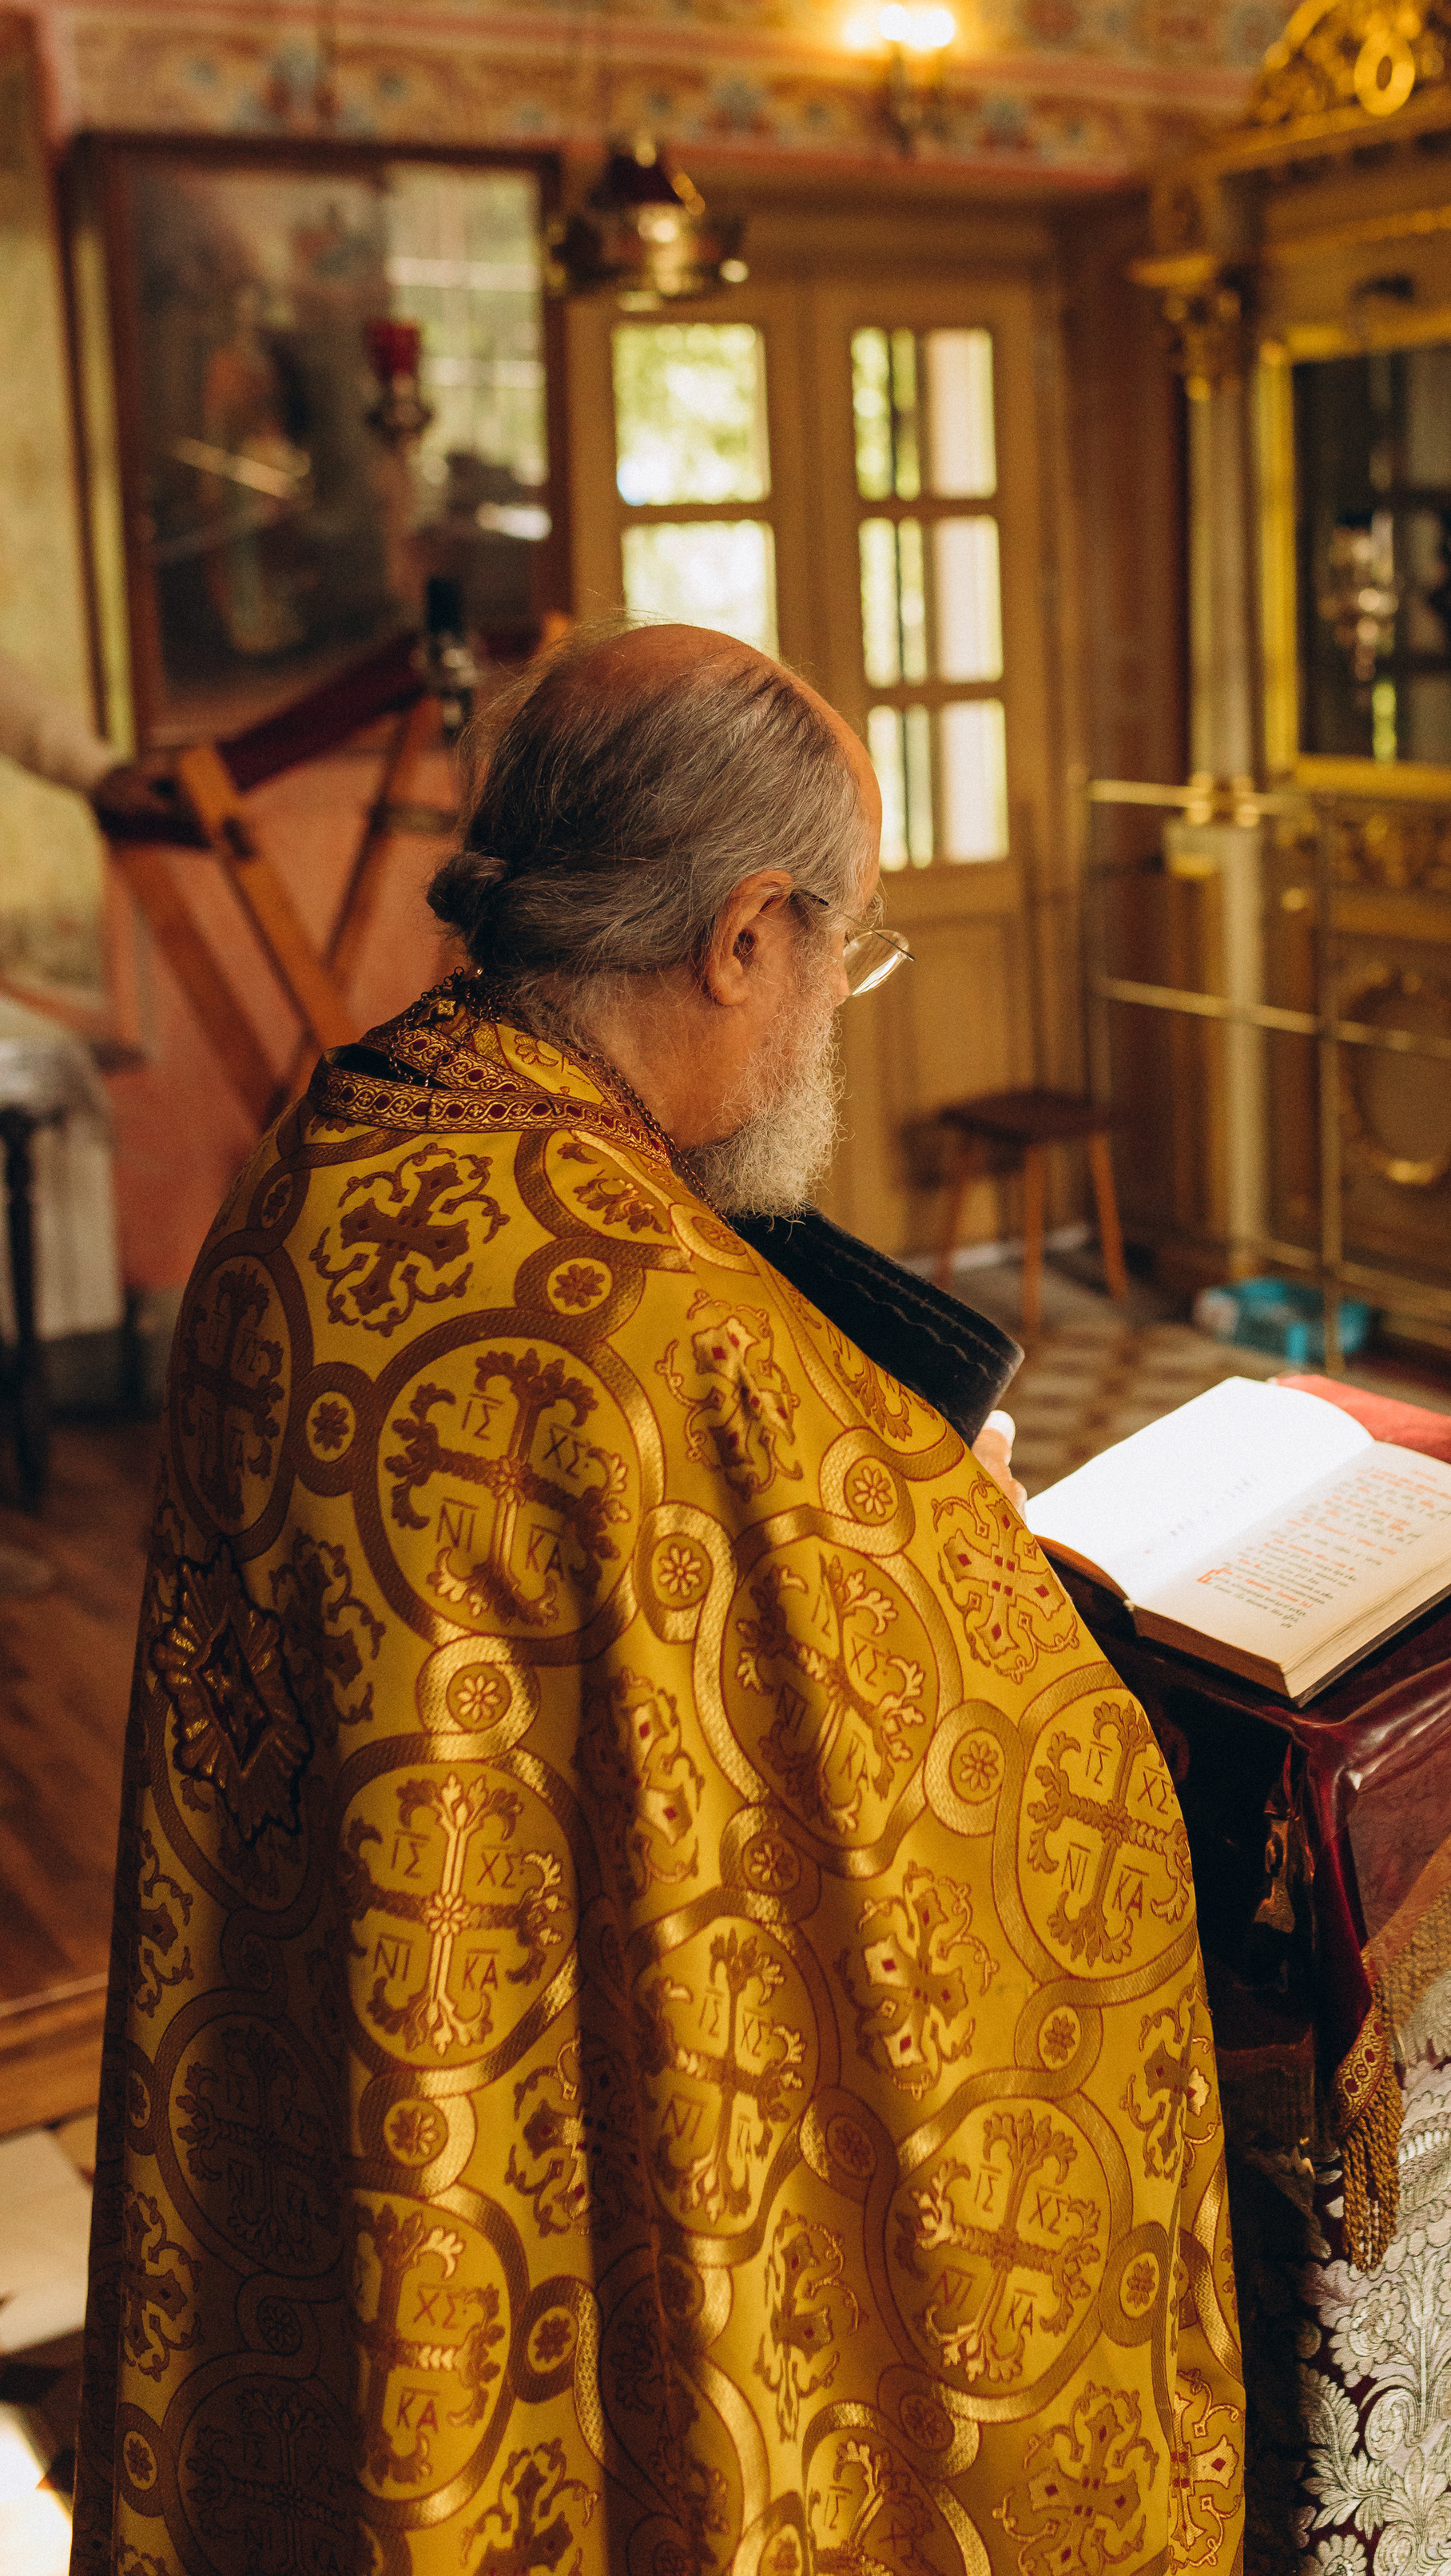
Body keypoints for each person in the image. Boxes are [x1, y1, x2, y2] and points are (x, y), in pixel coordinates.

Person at [71, 619, 1245, 2576]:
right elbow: (1005, 1812)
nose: (829, 1010)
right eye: (841, 951)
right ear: (738, 937)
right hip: (559, 2189)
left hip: (328, 2142)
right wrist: (958, 1531)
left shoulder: (311, 1179)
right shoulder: (660, 1335)